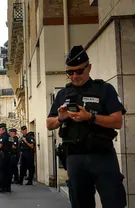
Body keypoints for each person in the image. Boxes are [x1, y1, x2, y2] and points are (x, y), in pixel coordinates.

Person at [46, 45, 127, 208]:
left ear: (89, 68)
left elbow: (117, 121)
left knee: (114, 202)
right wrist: (61, 118)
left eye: (79, 71)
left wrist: (90, 117)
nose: (74, 76)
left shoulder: (104, 89)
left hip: (102, 155)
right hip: (75, 158)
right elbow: (49, 123)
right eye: (70, 72)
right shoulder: (63, 94)